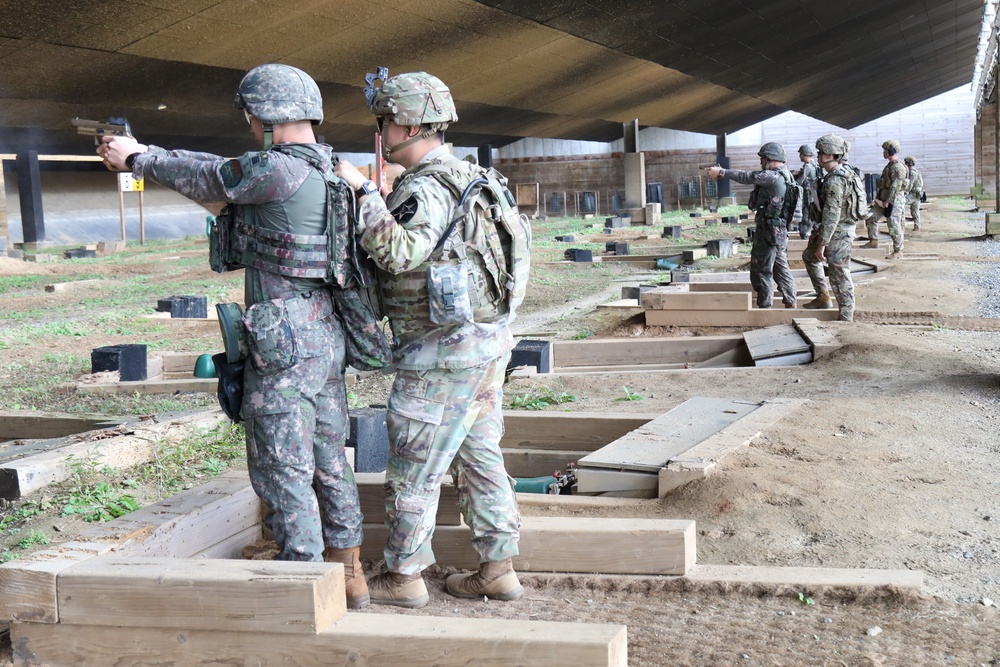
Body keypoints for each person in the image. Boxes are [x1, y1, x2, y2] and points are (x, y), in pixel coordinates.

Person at [97, 64, 369, 608]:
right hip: (323, 330)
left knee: (281, 464)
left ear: (265, 119)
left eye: (250, 117)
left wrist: (136, 159)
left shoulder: (274, 171)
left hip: (284, 337)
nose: (248, 126)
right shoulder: (329, 170)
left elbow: (212, 177)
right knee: (328, 458)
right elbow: (222, 169)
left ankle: (304, 585)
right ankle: (351, 573)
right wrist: (145, 149)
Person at [335, 71, 523, 608]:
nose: (381, 133)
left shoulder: (424, 186)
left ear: (411, 124)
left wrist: (365, 191)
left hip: (441, 356)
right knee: (480, 458)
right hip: (484, 346)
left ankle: (403, 577)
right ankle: (497, 568)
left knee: (413, 469)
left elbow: (398, 253)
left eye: (385, 122)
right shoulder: (475, 177)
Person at [708, 143, 797, 310]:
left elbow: (747, 176)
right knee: (780, 265)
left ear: (770, 160)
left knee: (762, 268)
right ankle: (790, 301)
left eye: (762, 158)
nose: (761, 162)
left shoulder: (772, 176)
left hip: (768, 230)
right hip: (778, 229)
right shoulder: (786, 175)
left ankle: (764, 307)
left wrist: (722, 172)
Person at [801, 134, 866, 322]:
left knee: (839, 271)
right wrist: (818, 232)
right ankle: (823, 297)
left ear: (830, 155)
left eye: (821, 152)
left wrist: (823, 242)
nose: (818, 156)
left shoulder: (835, 180)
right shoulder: (839, 174)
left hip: (840, 231)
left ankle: (846, 315)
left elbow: (833, 213)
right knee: (809, 257)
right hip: (834, 229)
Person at [863, 139, 909, 258]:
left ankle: (898, 251)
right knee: (871, 218)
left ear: (891, 151)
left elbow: (895, 186)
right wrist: (878, 199)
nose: (884, 153)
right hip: (883, 200)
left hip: (893, 201)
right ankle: (873, 241)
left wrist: (889, 201)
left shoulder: (899, 168)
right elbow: (883, 184)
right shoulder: (889, 166)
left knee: (893, 225)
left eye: (885, 150)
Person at [794, 144, 822, 240]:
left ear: (804, 154)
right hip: (814, 194)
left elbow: (799, 182)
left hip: (807, 194)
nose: (799, 156)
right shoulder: (815, 165)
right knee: (814, 214)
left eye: (801, 154)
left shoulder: (807, 166)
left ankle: (805, 235)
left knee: (806, 215)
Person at [904, 156, 924, 231]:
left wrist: (905, 192)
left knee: (901, 203)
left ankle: (902, 224)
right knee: (915, 211)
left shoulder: (912, 172)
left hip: (913, 194)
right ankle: (917, 226)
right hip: (917, 193)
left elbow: (910, 183)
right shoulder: (915, 171)